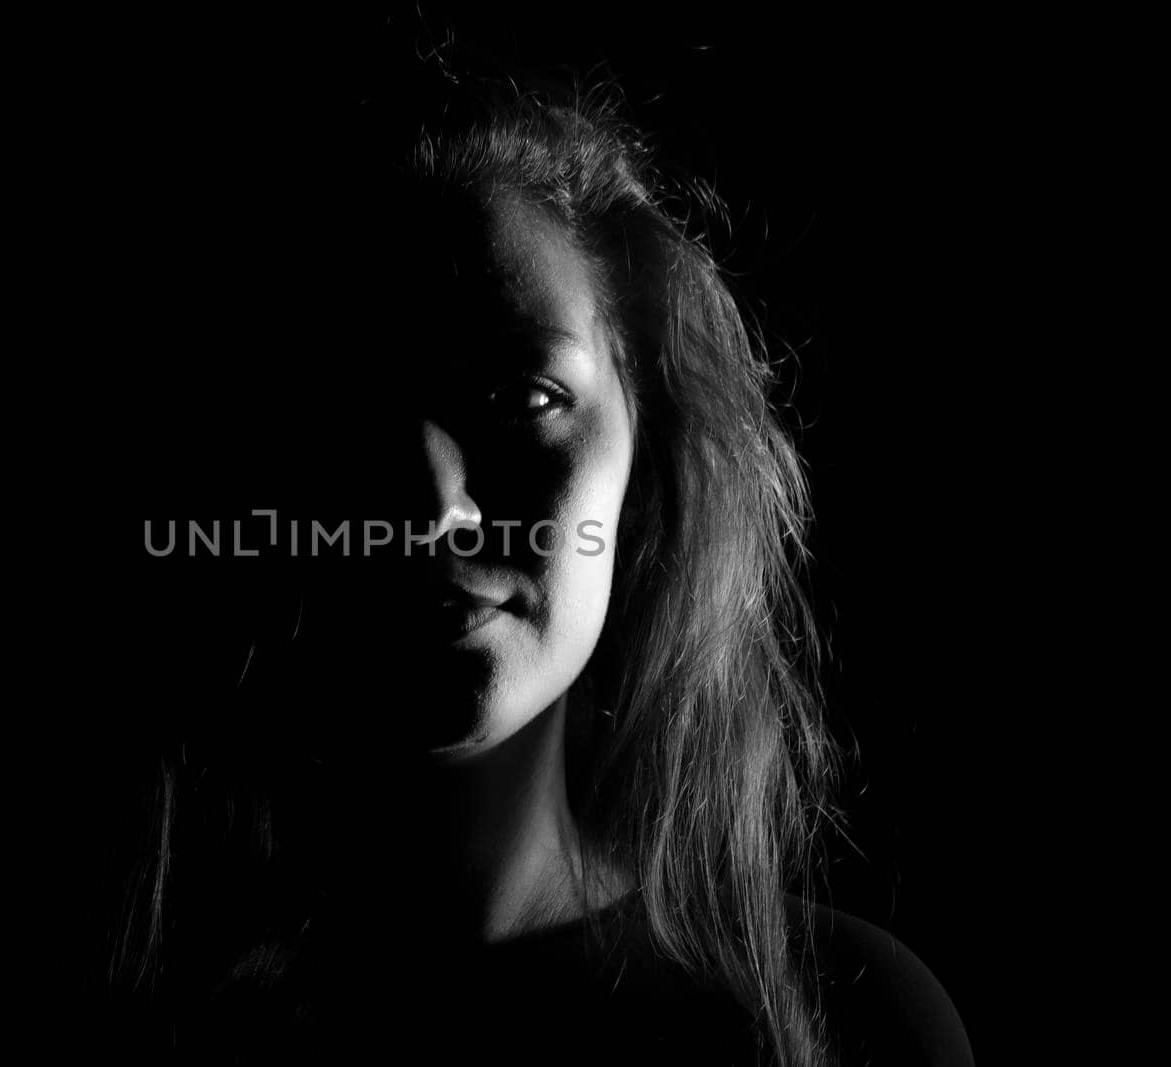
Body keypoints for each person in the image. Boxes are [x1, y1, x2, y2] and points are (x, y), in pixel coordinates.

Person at [106, 51, 973, 1067]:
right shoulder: (148, 1011)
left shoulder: (841, 1019)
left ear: (646, 452)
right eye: (351, 415)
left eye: (522, 400)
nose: (434, 510)